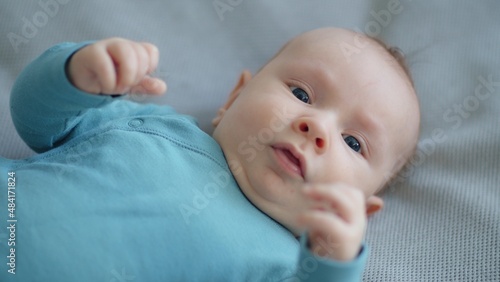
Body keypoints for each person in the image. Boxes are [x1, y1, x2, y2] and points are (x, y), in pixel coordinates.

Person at [1, 27, 419, 281]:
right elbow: (36, 118)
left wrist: (334, 265)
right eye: (301, 93)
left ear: (361, 212)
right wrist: (79, 72)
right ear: (235, 96)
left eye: (353, 143)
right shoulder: (152, 126)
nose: (318, 128)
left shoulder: (282, 266)